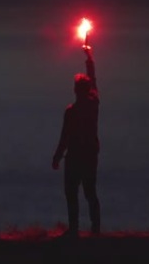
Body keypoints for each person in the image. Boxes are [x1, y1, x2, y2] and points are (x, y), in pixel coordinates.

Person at [52, 46, 101, 237]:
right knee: (90, 192)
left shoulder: (71, 111)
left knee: (72, 193)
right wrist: (89, 58)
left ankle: (74, 229)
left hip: (75, 157)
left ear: (74, 89)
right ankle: (95, 229)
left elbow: (64, 136)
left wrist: (57, 157)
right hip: (89, 155)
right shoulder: (93, 105)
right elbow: (94, 82)